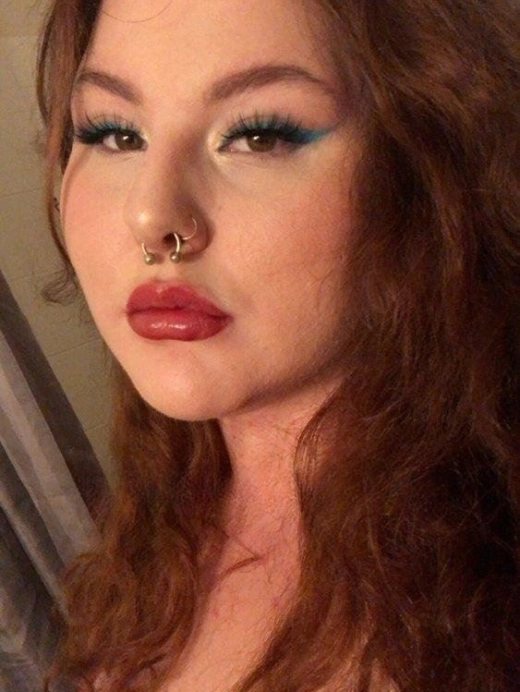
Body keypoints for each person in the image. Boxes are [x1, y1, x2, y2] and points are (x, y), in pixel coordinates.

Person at [37, 0, 520, 690]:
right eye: (115, 133)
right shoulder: (165, 502)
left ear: (431, 172)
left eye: (258, 135)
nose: (151, 216)